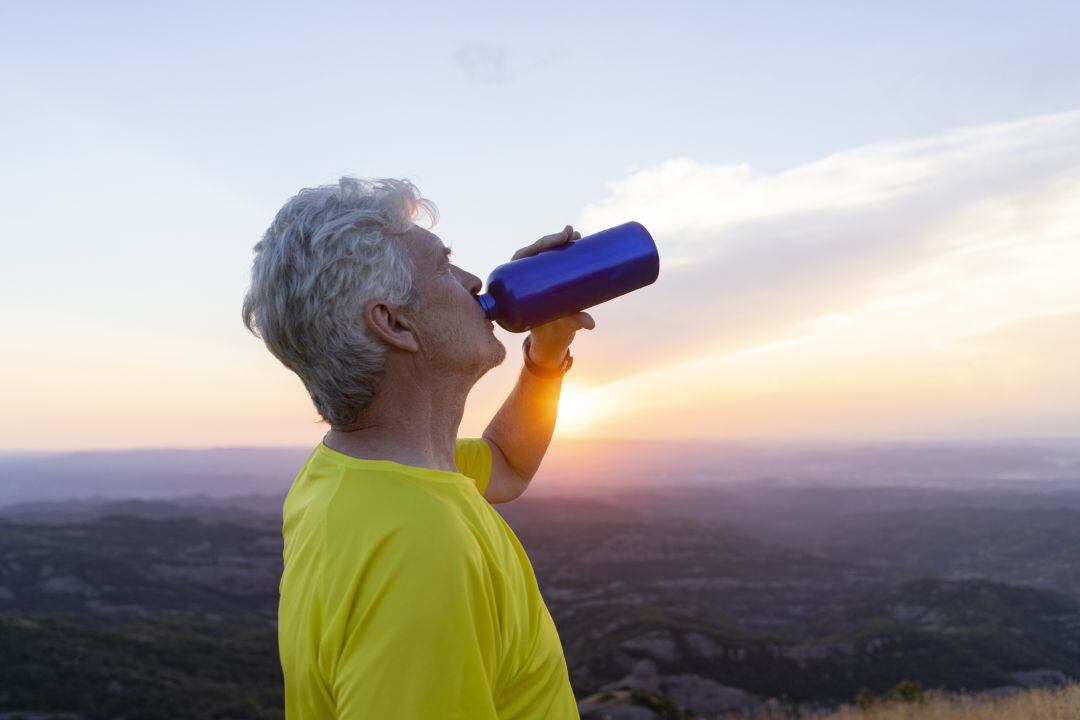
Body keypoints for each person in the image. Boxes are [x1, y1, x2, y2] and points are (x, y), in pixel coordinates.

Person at [242, 176, 594, 719]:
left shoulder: (346, 471)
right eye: (443, 266)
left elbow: (508, 464)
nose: (474, 281)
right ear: (393, 322)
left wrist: (546, 355)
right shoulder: (422, 553)